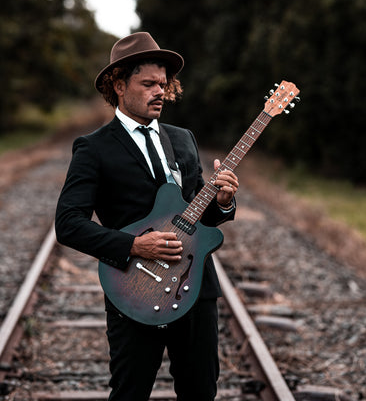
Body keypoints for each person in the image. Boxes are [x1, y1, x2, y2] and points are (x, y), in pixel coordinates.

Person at [55, 31, 239, 401]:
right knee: (130, 392)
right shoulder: (93, 148)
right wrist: (135, 245)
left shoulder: (182, 138)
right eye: (148, 83)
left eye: (163, 84)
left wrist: (221, 202)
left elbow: (197, 221)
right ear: (119, 86)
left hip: (195, 287)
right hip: (134, 291)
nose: (159, 91)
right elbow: (68, 224)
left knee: (201, 391)